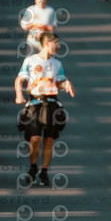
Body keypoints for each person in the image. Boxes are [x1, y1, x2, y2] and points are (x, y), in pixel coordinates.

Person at [15, 32, 75, 186]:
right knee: (35, 138)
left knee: (49, 140)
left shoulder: (57, 64)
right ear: (48, 43)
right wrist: (19, 94)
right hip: (35, 103)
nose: (58, 46)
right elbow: (20, 79)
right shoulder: (31, 61)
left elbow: (59, 82)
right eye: (56, 43)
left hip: (51, 104)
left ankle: (44, 171)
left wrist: (66, 84)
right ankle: (33, 166)